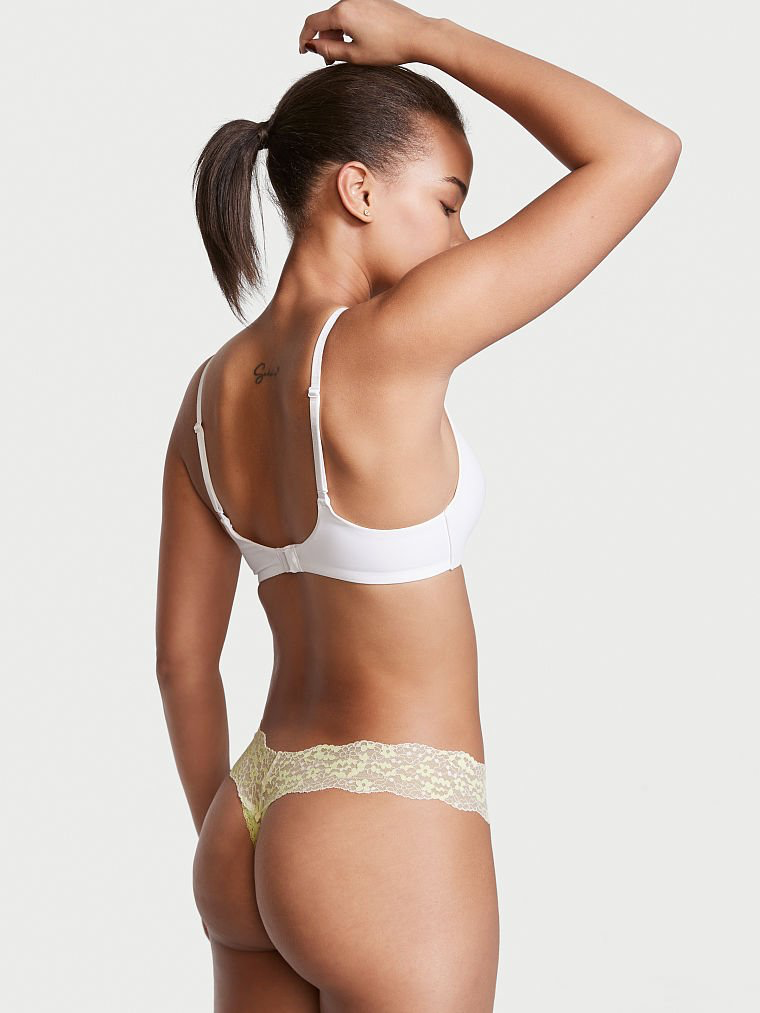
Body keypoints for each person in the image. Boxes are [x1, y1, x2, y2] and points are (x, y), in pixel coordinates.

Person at [155, 1, 681, 1009]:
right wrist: (429, 37)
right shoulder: (392, 339)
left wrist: (240, 852)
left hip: (245, 820)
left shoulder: (206, 397)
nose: (462, 237)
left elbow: (182, 661)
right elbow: (639, 150)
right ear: (357, 189)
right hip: (385, 820)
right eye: (447, 203)